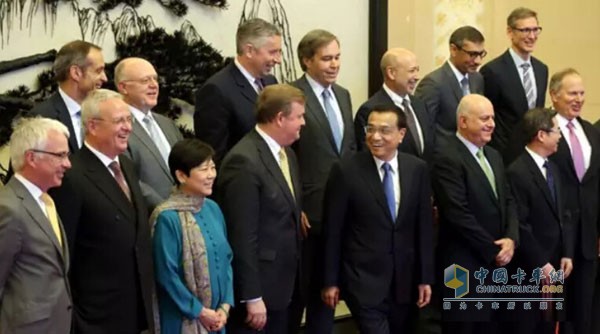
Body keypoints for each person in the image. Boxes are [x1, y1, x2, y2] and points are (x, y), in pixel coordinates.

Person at [50, 89, 155, 333]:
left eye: (129, 120)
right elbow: (65, 256)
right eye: (119, 121)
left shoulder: (126, 165)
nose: (128, 127)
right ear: (93, 126)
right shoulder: (72, 176)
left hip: (136, 310)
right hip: (95, 317)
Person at [322, 105, 433, 333]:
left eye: (384, 130)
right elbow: (333, 230)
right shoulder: (346, 170)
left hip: (405, 281)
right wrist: (330, 281)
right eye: (370, 129)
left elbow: (423, 228)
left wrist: (425, 278)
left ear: (401, 134)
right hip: (363, 280)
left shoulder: (417, 169)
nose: (375, 137)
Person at [217, 84, 304, 333]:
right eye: (299, 116)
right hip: (262, 294)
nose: (303, 123)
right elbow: (242, 235)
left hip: (288, 286)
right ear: (279, 118)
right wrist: (252, 296)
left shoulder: (287, 154)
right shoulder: (243, 161)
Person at [432, 94, 519, 333]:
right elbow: (457, 213)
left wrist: (511, 240)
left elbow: (509, 201)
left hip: (498, 266)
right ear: (463, 121)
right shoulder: (446, 156)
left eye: (492, 117)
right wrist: (493, 250)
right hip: (462, 266)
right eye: (484, 118)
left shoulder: (494, 155)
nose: (491, 123)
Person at [289, 28, 356, 334]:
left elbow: (349, 149)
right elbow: (286, 156)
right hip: (308, 215)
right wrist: (296, 205)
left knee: (329, 295)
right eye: (326, 58)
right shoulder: (292, 96)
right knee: (302, 294)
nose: (334, 64)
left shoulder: (343, 95)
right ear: (307, 61)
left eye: (337, 57)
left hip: (342, 211)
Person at [151, 138, 233, 333]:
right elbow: (166, 276)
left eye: (212, 168)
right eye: (204, 169)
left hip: (217, 320)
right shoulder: (167, 217)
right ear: (181, 175)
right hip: (182, 321)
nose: (211, 175)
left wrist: (225, 307)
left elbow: (226, 259)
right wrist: (200, 311)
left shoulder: (213, 208)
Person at [0, 117, 72, 334]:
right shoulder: (9, 209)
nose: (68, 164)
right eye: (60, 155)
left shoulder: (45, 200)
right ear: (31, 158)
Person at [505, 107, 573, 334]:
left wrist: (567, 253)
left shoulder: (553, 168)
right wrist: (542, 263)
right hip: (531, 268)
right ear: (541, 135)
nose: (560, 136)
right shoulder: (518, 171)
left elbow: (564, 214)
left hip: (557, 265)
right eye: (556, 131)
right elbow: (520, 224)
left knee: (550, 325)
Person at [547, 69, 600, 334]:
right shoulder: (543, 129)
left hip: (588, 236)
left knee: (585, 309)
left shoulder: (590, 132)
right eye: (572, 93)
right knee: (557, 311)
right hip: (556, 236)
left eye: (581, 93)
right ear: (554, 95)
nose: (578, 99)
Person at [195, 18, 281, 164]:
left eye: (279, 52)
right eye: (272, 52)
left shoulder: (271, 82)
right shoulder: (216, 90)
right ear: (249, 51)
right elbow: (214, 156)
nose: (278, 59)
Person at [480, 7, 548, 164]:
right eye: (525, 30)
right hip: (505, 157)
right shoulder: (493, 71)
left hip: (535, 156)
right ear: (510, 32)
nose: (531, 36)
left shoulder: (541, 69)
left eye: (535, 30)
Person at [115, 57, 183, 209]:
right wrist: (165, 209)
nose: (154, 85)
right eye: (145, 80)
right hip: (150, 217)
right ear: (123, 87)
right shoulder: (118, 127)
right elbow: (128, 179)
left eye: (155, 79)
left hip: (184, 213)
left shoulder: (168, 124)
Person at [354, 48, 434, 162]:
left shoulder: (419, 105)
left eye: (417, 70)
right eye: (411, 71)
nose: (417, 77)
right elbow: (368, 157)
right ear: (391, 73)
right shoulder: (371, 110)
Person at [31, 40, 107, 152]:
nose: (105, 78)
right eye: (98, 71)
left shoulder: (103, 111)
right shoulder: (41, 118)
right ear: (76, 73)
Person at [415, 25, 485, 139]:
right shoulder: (433, 84)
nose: (478, 61)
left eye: (481, 54)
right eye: (472, 54)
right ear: (453, 50)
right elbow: (426, 129)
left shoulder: (477, 79)